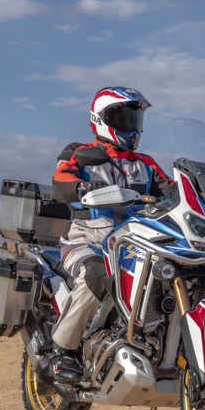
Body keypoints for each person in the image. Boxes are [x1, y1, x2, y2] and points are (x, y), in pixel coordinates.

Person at [44, 87, 170, 383]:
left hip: (133, 245)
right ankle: (62, 350)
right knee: (96, 275)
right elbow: (61, 178)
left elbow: (169, 190)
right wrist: (81, 188)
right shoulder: (80, 152)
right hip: (85, 241)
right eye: (123, 118)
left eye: (134, 119)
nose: (131, 126)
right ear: (101, 119)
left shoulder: (145, 164)